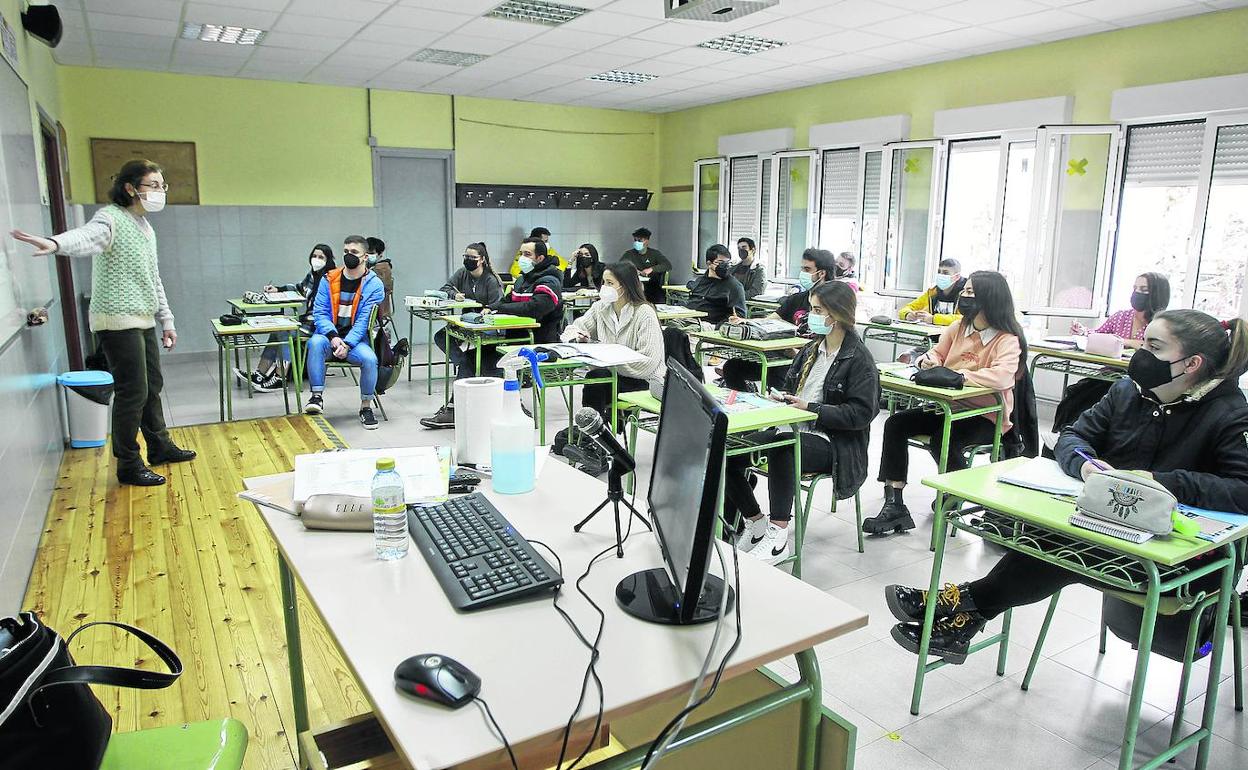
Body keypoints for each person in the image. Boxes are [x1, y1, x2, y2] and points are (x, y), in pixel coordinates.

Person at [885, 309, 1248, 663]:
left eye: (1153, 347)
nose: (1139, 354)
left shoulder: (1230, 412)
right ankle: (960, 623)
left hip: (1180, 555)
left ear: (1191, 364)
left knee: (1060, 548)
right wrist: (1087, 466)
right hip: (1113, 527)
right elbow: (1072, 436)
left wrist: (1157, 483)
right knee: (1050, 537)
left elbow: (1243, 490)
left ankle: (955, 604)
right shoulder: (1127, 392)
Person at [11, 159, 195, 486]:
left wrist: (167, 319)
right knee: (132, 391)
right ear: (130, 188)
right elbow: (87, 237)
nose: (160, 192)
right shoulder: (110, 218)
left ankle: (159, 445)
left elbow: (153, 278)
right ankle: (128, 463)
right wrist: (55, 243)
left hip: (142, 318)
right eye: (153, 185)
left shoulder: (145, 228)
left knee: (152, 385)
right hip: (115, 320)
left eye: (162, 186)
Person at [725, 281, 880, 564]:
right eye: (811, 308)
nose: (811, 315)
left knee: (785, 446)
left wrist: (812, 408)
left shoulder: (859, 359)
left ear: (836, 315)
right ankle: (756, 521)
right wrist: (779, 399)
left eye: (817, 310)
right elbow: (792, 390)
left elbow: (860, 415)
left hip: (835, 444)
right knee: (727, 448)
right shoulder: (812, 350)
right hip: (793, 427)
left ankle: (778, 535)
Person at [863, 271, 1027, 535]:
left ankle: (959, 490)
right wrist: (929, 362)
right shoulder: (959, 327)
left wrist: (958, 377)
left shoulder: (1006, 338)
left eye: (971, 293)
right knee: (896, 423)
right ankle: (895, 504)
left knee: (944, 438)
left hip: (986, 417)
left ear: (990, 298)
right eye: (966, 291)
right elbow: (935, 353)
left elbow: (1002, 376)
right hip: (948, 407)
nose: (964, 296)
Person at [421, 237, 563, 429]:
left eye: (527, 254)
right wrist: (492, 308)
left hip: (536, 341)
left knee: (485, 361)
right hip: (513, 338)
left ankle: (509, 407)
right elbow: (505, 301)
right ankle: (459, 409)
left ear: (539, 258)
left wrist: (504, 309)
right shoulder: (522, 280)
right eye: (521, 254)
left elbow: (536, 308)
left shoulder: (549, 280)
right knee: (471, 358)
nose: (522, 258)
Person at [719, 248, 836, 391]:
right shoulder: (796, 299)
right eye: (802, 269)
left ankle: (780, 404)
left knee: (781, 374)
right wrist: (746, 322)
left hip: (812, 360)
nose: (802, 274)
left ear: (821, 273)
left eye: (807, 269)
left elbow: (834, 343)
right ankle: (745, 403)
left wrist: (799, 354)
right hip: (783, 355)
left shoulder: (835, 303)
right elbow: (771, 321)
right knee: (732, 367)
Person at [562, 261, 665, 415]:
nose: (604, 287)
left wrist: (607, 363)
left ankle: (593, 430)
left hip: (644, 381)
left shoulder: (644, 313)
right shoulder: (601, 308)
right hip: (611, 375)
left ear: (624, 286)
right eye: (604, 282)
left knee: (597, 377)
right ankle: (592, 428)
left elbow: (648, 363)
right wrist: (577, 337)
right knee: (597, 378)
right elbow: (572, 329)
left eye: (610, 283)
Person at [303, 235, 386, 430]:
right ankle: (316, 397)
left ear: (365, 257)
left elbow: (364, 322)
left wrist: (347, 344)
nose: (349, 256)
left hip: (356, 342)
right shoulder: (329, 278)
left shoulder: (374, 285)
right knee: (314, 343)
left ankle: (366, 407)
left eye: (354, 252)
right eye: (346, 252)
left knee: (369, 359)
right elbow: (320, 313)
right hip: (329, 337)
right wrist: (333, 338)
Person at [419, 243, 504, 430]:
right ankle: (460, 362)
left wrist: (487, 310)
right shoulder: (462, 273)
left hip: (488, 327)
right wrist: (454, 295)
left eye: (472, 258)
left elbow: (498, 305)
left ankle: (453, 407)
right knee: (442, 336)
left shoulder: (490, 280)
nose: (468, 260)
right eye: (466, 256)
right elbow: (446, 287)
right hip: (469, 323)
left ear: (482, 259)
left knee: (470, 359)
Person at [234, 244, 336, 392]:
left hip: (319, 325)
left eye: (321, 257)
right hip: (307, 319)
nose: (316, 260)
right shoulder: (313, 274)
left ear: (328, 260)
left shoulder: (329, 278)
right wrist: (278, 289)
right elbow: (300, 287)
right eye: (314, 256)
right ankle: (259, 374)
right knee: (277, 331)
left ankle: (280, 377)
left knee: (285, 332)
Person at [1072, 272, 1170, 349]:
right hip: (1111, 372)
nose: (1137, 292)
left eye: (1144, 289)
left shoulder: (1163, 323)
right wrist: (1082, 331)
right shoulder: (1120, 317)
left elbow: (1155, 347)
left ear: (1157, 294)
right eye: (1135, 288)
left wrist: (1123, 341)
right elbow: (1098, 334)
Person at [686, 244, 747, 326]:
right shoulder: (701, 281)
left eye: (727, 263)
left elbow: (739, 316)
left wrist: (720, 326)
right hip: (688, 319)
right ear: (709, 264)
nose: (725, 266)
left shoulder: (734, 286)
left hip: (709, 325)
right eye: (721, 263)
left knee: (675, 331)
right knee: (667, 329)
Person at [898, 258, 965, 325]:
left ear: (957, 277)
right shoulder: (933, 292)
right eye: (939, 272)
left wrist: (933, 319)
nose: (941, 275)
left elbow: (964, 319)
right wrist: (907, 314)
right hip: (935, 333)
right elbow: (906, 308)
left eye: (945, 273)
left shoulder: (966, 294)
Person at [620, 227, 671, 304]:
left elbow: (667, 265)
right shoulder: (629, 254)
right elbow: (620, 267)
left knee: (659, 299)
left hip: (653, 287)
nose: (637, 243)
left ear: (647, 241)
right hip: (635, 287)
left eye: (640, 240)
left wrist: (651, 269)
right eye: (635, 240)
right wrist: (632, 271)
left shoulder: (654, 254)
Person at [366, 237, 395, 319]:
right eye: (366, 253)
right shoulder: (367, 267)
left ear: (380, 255)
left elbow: (378, 286)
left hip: (378, 308)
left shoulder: (383, 268)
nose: (367, 256)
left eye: (371, 253)